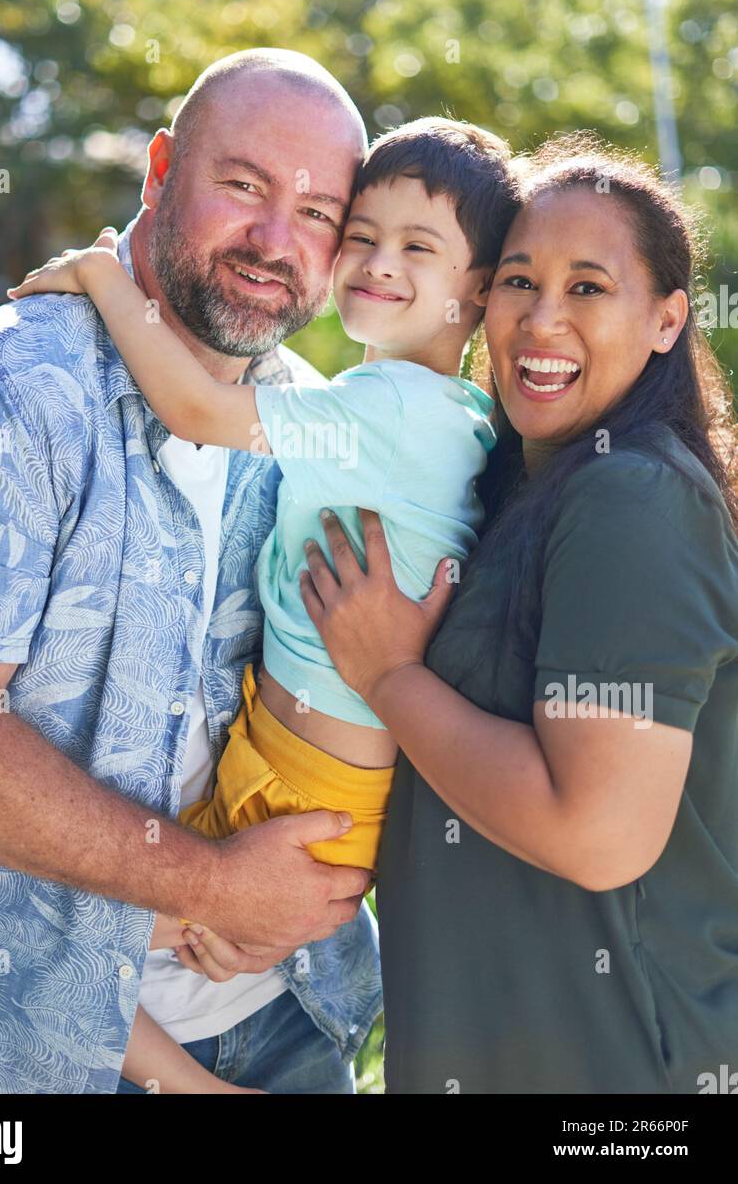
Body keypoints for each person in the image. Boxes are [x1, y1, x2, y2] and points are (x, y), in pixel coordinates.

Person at [0, 49, 383, 1095]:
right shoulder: (1, 392)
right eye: (243, 185)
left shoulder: (318, 422)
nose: (275, 241)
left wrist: (279, 903)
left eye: (319, 211)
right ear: (161, 170)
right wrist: (214, 886)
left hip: (285, 1015)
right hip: (14, 1051)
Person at [7, 114, 520, 1092]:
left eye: (418, 247)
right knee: (124, 925)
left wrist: (104, 276)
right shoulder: (437, 413)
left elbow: (197, 410)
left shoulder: (390, 412)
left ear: (480, 289)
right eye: (361, 234)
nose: (374, 261)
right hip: (300, 761)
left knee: (69, 924)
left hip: (310, 786)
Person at [295, 134, 738, 1093]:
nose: (541, 322)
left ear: (666, 321)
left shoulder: (634, 498)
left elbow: (596, 833)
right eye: (516, 282)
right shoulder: (505, 482)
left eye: (588, 288)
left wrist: (391, 677)